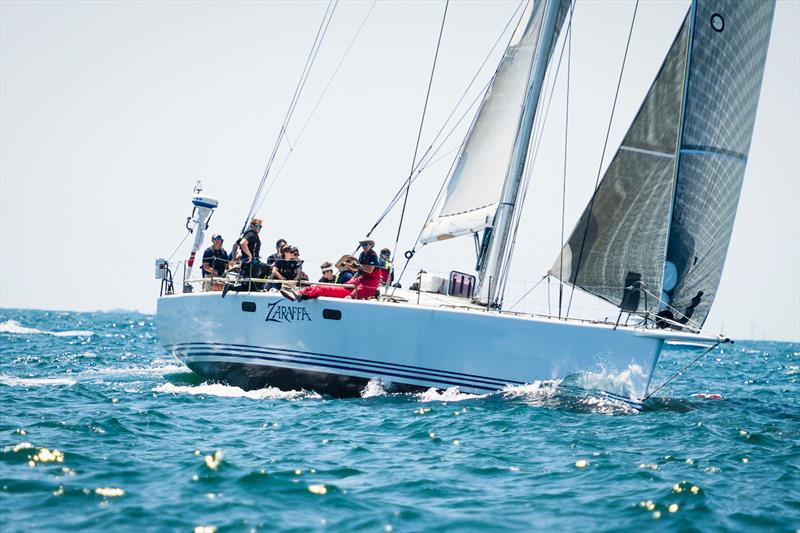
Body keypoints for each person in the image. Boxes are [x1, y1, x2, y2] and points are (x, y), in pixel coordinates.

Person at [239, 217, 269, 288]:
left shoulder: (250, 233)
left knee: (251, 283)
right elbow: (242, 243)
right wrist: (249, 255)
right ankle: (260, 287)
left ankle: (259, 287)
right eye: (257, 226)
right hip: (250, 262)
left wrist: (234, 256)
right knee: (267, 269)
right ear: (252, 225)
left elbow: (235, 245)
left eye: (260, 226)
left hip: (250, 261)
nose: (259, 228)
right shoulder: (251, 234)